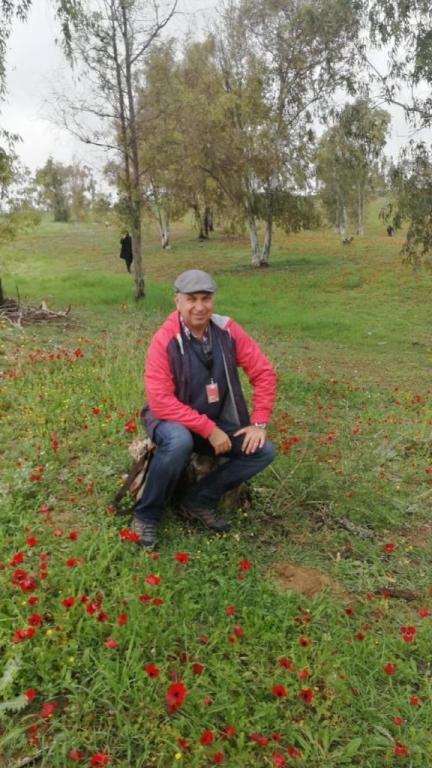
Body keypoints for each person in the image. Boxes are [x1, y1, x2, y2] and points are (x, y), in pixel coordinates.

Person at [132, 269, 277, 547]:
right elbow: (161, 402)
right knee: (178, 440)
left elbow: (264, 372)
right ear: (177, 301)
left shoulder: (227, 330)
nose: (200, 307)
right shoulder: (164, 340)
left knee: (262, 452)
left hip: (212, 422)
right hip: (170, 422)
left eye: (206, 298)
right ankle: (147, 515)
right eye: (192, 299)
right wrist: (208, 429)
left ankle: (197, 500)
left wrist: (258, 423)